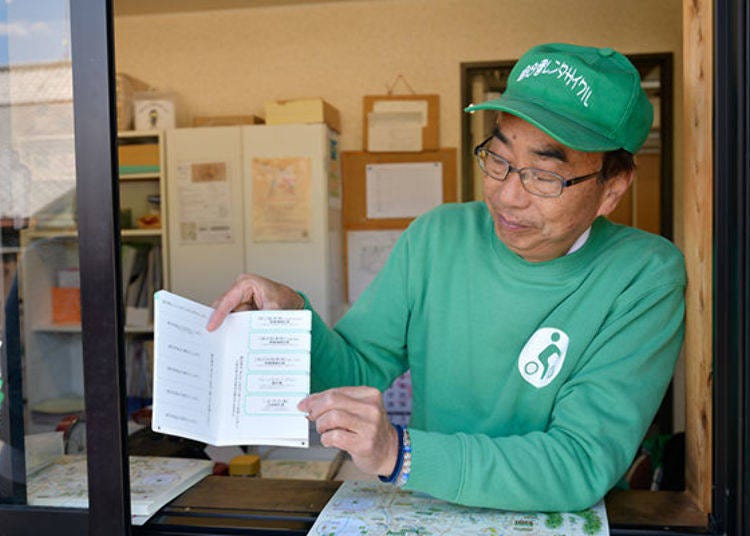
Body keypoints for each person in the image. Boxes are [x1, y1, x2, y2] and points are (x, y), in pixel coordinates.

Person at [207, 43, 685, 512]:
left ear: (611, 190)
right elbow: (355, 370)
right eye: (498, 160)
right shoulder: (439, 236)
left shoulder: (643, 276)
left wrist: (400, 454)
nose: (507, 196)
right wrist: (291, 317)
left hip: (551, 519)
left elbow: (577, 462)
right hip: (429, 510)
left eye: (544, 174)